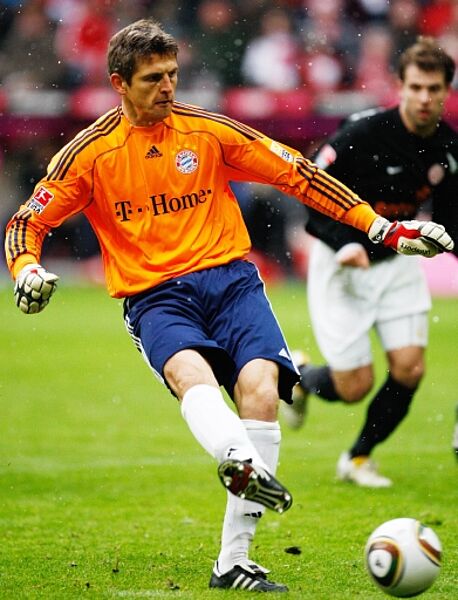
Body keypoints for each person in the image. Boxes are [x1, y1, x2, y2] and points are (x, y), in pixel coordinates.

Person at [4, 21, 453, 593]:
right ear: (118, 83)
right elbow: (27, 221)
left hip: (233, 283)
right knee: (189, 372)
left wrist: (381, 229)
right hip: (156, 295)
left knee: (261, 391)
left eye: (172, 74)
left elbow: (300, 174)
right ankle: (241, 460)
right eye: (152, 78)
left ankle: (233, 560)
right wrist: (27, 268)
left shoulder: (209, 131)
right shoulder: (90, 153)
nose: (168, 87)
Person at [283, 37, 458, 489]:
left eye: (434, 89)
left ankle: (358, 458)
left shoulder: (448, 148)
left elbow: (451, 221)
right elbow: (311, 191)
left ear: (446, 91)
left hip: (397, 262)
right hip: (342, 263)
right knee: (354, 386)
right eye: (416, 87)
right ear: (399, 86)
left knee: (410, 368)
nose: (424, 98)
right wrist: (345, 242)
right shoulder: (362, 134)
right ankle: (300, 377)